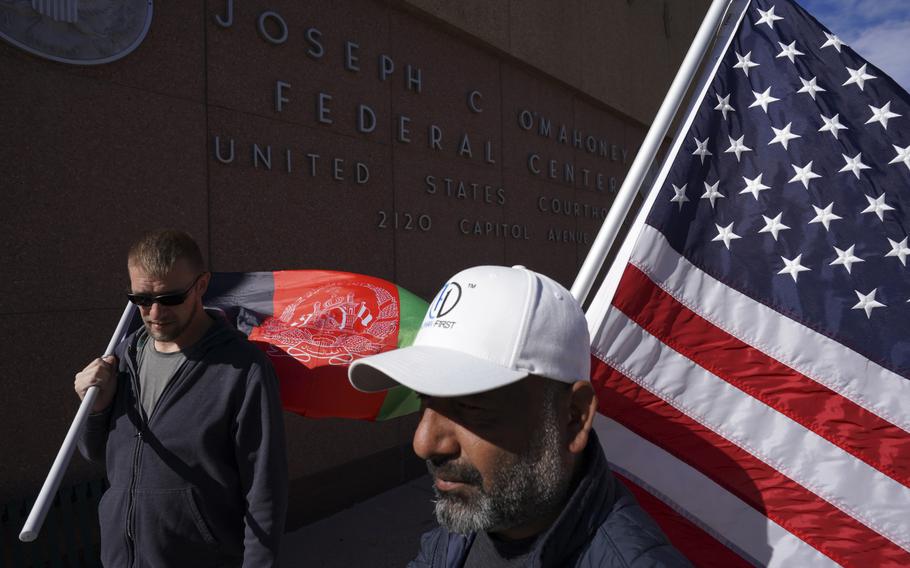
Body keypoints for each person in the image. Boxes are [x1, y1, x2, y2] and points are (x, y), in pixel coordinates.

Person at [349, 265, 690, 567]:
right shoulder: (476, 516)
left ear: (573, 417)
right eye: (425, 400)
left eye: (471, 407)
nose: (424, 443)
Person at [74, 229, 287, 567]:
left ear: (201, 285)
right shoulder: (125, 355)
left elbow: (264, 489)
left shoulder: (244, 368)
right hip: (121, 557)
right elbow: (97, 452)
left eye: (170, 298)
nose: (155, 313)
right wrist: (96, 407)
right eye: (141, 299)